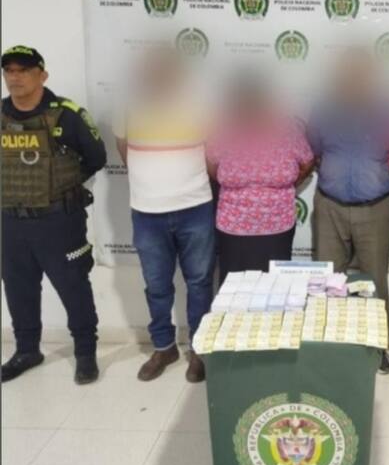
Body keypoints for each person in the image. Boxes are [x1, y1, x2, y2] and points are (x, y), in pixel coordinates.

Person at [1, 45, 106, 384]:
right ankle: (26, 350)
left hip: (58, 221)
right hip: (10, 221)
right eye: (9, 71)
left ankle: (85, 354)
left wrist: (63, 187)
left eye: (24, 70)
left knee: (73, 286)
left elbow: (96, 157)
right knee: (18, 288)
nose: (15, 77)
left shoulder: (68, 115)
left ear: (42, 75)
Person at [113, 48, 216, 383]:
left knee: (199, 283)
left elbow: (213, 152)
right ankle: (164, 347)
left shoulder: (201, 101)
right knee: (157, 286)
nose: (160, 74)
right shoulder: (127, 102)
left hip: (195, 205)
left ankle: (199, 349)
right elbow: (123, 146)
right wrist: (148, 181)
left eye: (167, 68)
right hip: (147, 211)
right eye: (153, 68)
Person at [307, 48, 389, 374]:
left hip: (376, 208)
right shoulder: (323, 110)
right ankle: (330, 345)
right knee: (328, 281)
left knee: (374, 281)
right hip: (330, 206)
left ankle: (377, 347)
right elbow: (314, 150)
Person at [207, 71, 314, 284]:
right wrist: (233, 182)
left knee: (274, 287)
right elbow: (211, 164)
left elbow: (307, 161)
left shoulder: (286, 128)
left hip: (277, 224)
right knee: (235, 287)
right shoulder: (224, 129)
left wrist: (288, 183)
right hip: (234, 225)